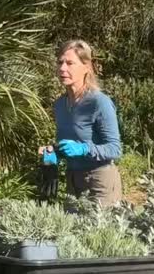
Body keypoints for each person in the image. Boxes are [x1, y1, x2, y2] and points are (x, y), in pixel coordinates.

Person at [41, 39, 123, 206]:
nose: (62, 68)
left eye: (70, 63)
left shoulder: (99, 102)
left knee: (98, 231)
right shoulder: (60, 105)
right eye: (60, 62)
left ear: (86, 67)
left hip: (100, 183)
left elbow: (115, 149)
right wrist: (53, 154)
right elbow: (68, 145)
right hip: (72, 181)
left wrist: (84, 148)